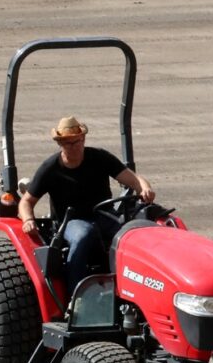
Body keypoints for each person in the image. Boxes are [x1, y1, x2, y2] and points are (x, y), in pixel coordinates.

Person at [18, 116, 156, 295]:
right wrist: (28, 219)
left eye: (77, 142)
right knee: (84, 234)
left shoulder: (99, 157)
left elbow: (134, 179)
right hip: (71, 221)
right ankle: (76, 295)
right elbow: (26, 201)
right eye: (68, 143)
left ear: (83, 139)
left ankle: (130, 288)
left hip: (103, 214)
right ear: (60, 143)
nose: (74, 147)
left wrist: (144, 188)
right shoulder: (50, 168)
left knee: (131, 235)